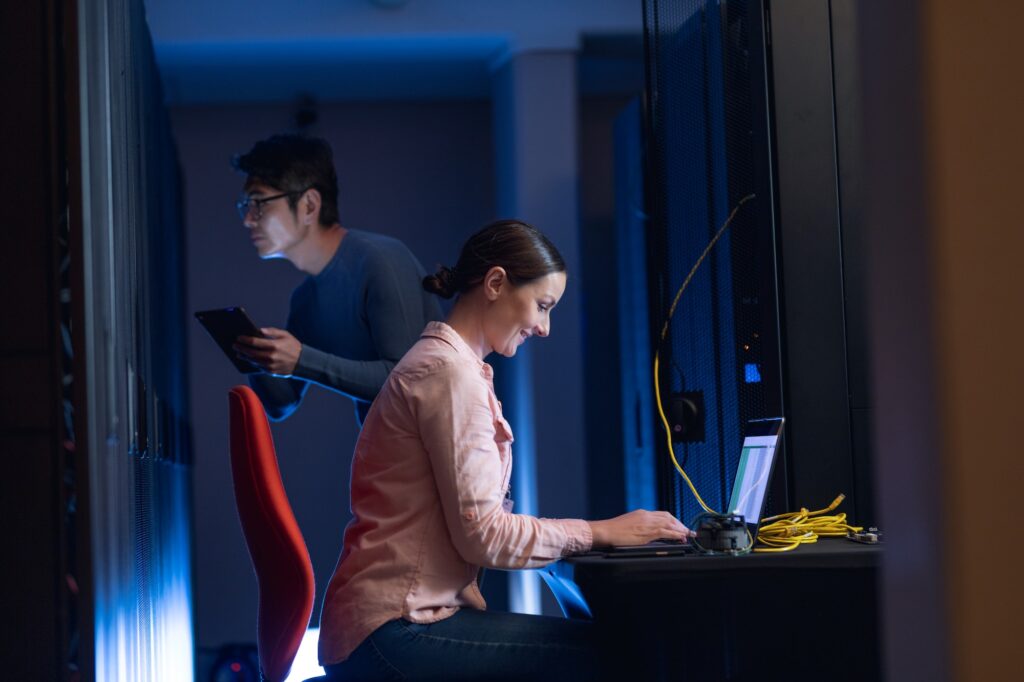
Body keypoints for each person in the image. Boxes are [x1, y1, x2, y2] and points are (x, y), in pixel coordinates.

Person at [318, 219, 695, 681]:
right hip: (392, 632)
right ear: (495, 283)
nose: (545, 327)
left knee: (602, 649)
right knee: (613, 658)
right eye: (542, 306)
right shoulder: (449, 376)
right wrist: (603, 532)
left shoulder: (453, 369)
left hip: (383, 626)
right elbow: (486, 537)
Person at [230, 134, 442, 425]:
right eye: (246, 206)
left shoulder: (380, 259)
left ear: (309, 205)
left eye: (259, 203)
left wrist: (303, 360)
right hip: (383, 457)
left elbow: (408, 381)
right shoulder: (305, 300)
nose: (248, 219)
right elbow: (283, 402)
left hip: (435, 458)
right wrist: (250, 356)